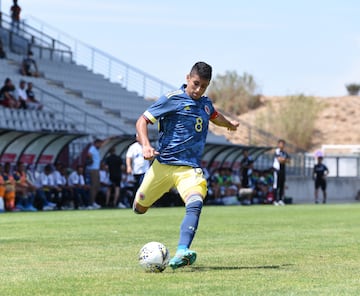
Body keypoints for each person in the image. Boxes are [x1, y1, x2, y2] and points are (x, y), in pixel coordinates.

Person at [132, 61, 239, 270]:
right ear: (187, 78)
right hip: (162, 166)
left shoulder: (205, 104)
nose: (198, 90)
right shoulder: (172, 99)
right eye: (196, 84)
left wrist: (229, 125)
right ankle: (140, 202)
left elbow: (215, 116)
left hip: (189, 168)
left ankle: (182, 250)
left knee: (196, 201)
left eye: (204, 86)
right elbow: (142, 120)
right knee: (140, 208)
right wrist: (146, 145)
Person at [126, 134, 150, 199]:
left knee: (144, 186)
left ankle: (144, 201)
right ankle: (135, 201)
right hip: (136, 171)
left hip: (145, 170)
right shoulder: (133, 147)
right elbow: (128, 157)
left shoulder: (146, 145)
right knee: (136, 187)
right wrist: (129, 166)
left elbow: (151, 156)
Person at [85, 138, 104, 209]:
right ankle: (91, 203)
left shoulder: (96, 149)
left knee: (97, 187)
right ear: (96, 143)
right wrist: (90, 160)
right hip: (93, 169)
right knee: (93, 187)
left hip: (96, 169)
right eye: (99, 144)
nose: (101, 145)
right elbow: (89, 154)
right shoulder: (92, 148)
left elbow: (104, 143)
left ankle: (93, 202)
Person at [272, 139, 290, 206]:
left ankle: (280, 200)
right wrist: (284, 160)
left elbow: (289, 160)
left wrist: (284, 160)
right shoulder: (277, 151)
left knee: (282, 186)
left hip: (283, 171)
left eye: (283, 144)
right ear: (278, 144)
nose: (282, 145)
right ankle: (275, 200)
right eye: (281, 144)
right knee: (276, 185)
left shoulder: (284, 153)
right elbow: (279, 160)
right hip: (277, 171)